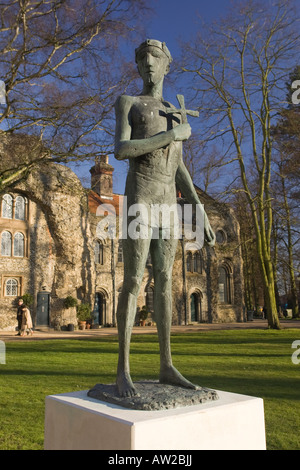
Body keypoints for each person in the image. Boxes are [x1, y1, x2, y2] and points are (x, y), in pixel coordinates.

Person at [114, 39, 215, 397]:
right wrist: (170, 134)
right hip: (140, 198)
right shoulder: (130, 103)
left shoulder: (175, 109)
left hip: (167, 205)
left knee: (165, 280)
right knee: (130, 281)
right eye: (142, 60)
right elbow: (122, 150)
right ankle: (123, 370)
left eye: (155, 59)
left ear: (167, 65)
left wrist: (198, 208)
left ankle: (166, 365)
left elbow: (179, 166)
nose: (148, 65)